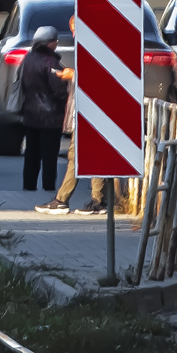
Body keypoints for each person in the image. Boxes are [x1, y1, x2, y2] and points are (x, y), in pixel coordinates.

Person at [38, 16, 111, 215]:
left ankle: (62, 200)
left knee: (76, 155)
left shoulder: (93, 47)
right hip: (92, 110)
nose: (73, 34)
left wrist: (73, 75)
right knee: (93, 155)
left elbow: (99, 77)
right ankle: (98, 201)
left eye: (74, 29)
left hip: (89, 111)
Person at [20, 25, 73, 191]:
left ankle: (29, 186)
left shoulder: (28, 59)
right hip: (50, 118)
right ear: (50, 43)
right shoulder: (51, 63)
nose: (56, 44)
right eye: (55, 41)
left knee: (31, 154)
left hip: (30, 114)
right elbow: (58, 89)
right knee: (49, 156)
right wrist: (64, 100)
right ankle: (48, 187)